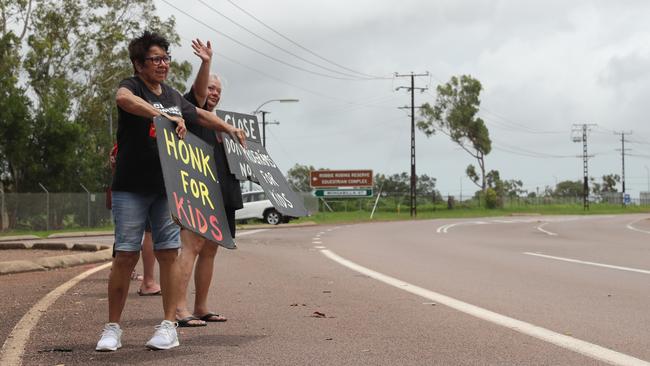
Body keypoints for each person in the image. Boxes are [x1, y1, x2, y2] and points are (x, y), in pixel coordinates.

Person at [96, 30, 246, 352]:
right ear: (139, 64)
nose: (163, 64)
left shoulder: (174, 96)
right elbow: (124, 100)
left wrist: (228, 127)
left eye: (166, 58)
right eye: (155, 59)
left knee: (168, 253)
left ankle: (167, 326)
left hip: (166, 189)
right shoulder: (132, 86)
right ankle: (112, 329)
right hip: (130, 188)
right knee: (125, 254)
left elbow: (200, 113)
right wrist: (159, 114)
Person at [174, 40, 243, 327]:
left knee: (212, 249)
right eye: (211, 89)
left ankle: (201, 306)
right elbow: (199, 95)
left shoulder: (223, 125)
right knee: (191, 245)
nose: (213, 94)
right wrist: (206, 63)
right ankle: (179, 309)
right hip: (197, 188)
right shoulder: (193, 111)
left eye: (219, 91)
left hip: (223, 192)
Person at [110, 143, 161, 296]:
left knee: (127, 241)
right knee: (147, 234)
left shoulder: (120, 144)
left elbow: (113, 161)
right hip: (145, 182)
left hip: (132, 183)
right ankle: (148, 281)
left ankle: (141, 278)